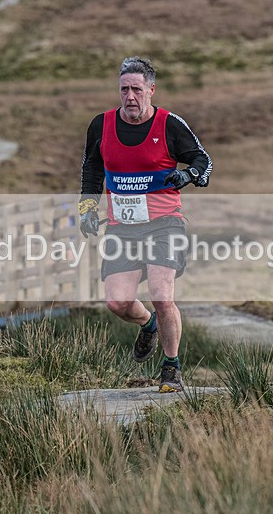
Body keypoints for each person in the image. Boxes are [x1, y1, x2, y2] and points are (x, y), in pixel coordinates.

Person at [78, 56, 213, 393]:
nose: (130, 96)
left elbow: (203, 159)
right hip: (122, 227)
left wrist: (187, 174)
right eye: (124, 89)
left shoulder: (169, 124)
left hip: (164, 223)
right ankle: (148, 324)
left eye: (137, 89)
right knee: (117, 303)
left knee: (162, 296)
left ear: (151, 90)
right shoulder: (101, 125)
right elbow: (92, 169)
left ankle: (171, 368)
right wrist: (87, 208)